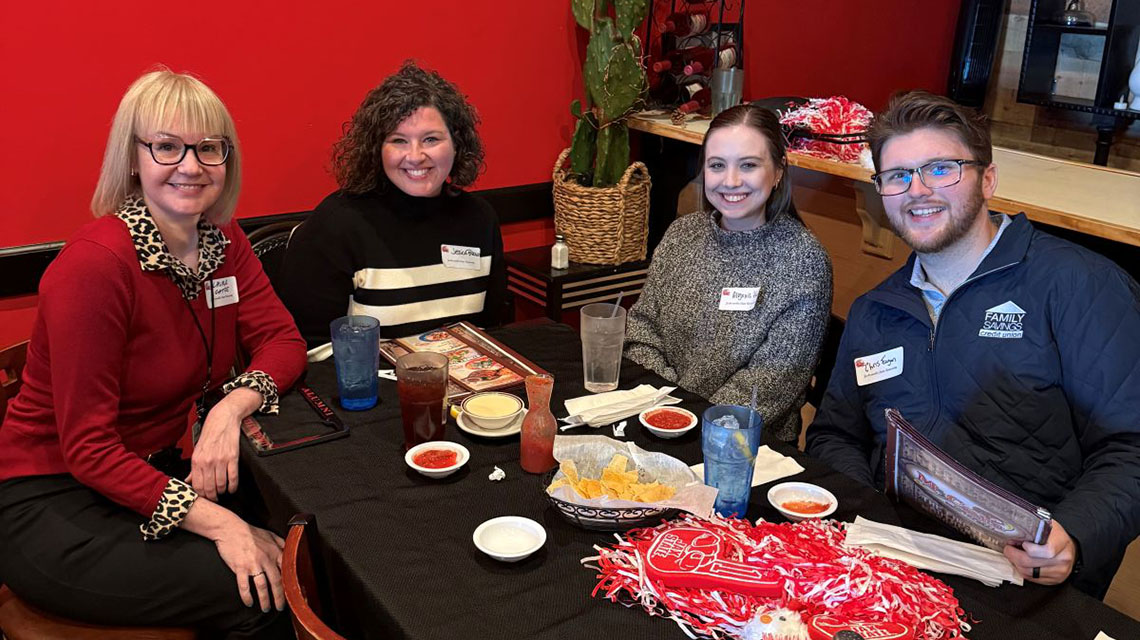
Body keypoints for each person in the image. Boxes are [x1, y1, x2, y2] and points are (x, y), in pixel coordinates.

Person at [0, 69, 306, 637]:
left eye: (208, 148)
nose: (190, 166)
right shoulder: (94, 267)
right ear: (133, 158)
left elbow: (284, 342)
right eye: (167, 146)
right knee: (261, 591)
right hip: (55, 499)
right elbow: (89, 449)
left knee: (309, 538)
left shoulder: (222, 239)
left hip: (157, 473)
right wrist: (222, 526)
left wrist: (228, 408)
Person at [805, 90, 1140, 598]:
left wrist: (1075, 535)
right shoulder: (875, 309)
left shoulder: (1079, 285)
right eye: (897, 176)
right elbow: (835, 435)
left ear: (987, 179)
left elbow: (1131, 448)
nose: (917, 190)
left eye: (941, 169)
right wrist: (868, 514)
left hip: (1024, 584)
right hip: (893, 565)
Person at [624, 104, 833, 443]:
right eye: (717, 165)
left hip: (746, 450)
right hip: (656, 419)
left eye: (748, 165)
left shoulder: (803, 262)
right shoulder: (682, 235)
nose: (731, 181)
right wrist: (664, 407)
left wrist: (683, 419)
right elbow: (641, 330)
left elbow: (768, 386)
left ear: (778, 171)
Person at [279, 61, 507, 349]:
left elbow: (490, 329)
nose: (415, 156)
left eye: (431, 139)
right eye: (398, 140)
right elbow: (308, 349)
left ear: (457, 144)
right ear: (377, 149)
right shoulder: (337, 225)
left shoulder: (479, 219)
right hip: (369, 391)